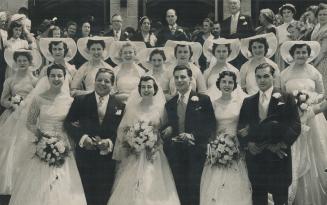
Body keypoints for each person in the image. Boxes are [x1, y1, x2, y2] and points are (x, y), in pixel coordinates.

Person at [8, 64, 87, 205]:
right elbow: (30, 123)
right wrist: (43, 138)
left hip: (63, 144)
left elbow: (74, 124)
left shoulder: (70, 101)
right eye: (53, 75)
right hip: (42, 142)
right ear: (48, 77)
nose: (56, 78)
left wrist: (63, 140)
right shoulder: (38, 99)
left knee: (61, 178)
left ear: (64, 78)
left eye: (59, 76)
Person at [108, 76, 180, 205]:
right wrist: (132, 139)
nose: (146, 90)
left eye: (149, 87)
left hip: (154, 154)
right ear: (139, 89)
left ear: (155, 89)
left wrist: (158, 137)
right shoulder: (132, 108)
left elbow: (167, 127)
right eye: (143, 87)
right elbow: (123, 130)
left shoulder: (161, 109)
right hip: (134, 154)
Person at [237, 62, 301, 205]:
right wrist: (248, 144)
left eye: (266, 76)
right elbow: (240, 128)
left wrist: (282, 144)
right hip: (257, 158)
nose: (262, 80)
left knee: (280, 198)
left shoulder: (286, 98)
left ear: (273, 77)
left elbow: (296, 125)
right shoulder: (248, 101)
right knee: (259, 198)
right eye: (258, 77)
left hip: (279, 157)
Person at [65, 68, 125, 205]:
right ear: (94, 81)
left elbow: (120, 130)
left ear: (112, 84)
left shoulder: (119, 105)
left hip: (107, 159)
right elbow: (68, 123)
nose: (102, 83)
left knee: (103, 194)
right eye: (99, 80)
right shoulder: (81, 100)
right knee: (84, 194)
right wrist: (83, 138)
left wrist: (109, 142)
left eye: (107, 81)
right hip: (85, 156)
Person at [280, 41, 327, 204]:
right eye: (298, 52)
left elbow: (322, 93)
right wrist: (294, 102)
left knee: (316, 150)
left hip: (312, 116)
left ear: (309, 54)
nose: (301, 55)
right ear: (292, 55)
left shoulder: (314, 72)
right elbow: (281, 95)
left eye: (304, 52)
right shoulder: (284, 73)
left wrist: (309, 99)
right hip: (292, 117)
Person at [162, 65, 216, 205]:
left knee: (194, 189)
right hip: (176, 153)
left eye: (183, 77)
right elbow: (169, 125)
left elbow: (210, 125)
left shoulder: (203, 100)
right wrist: (168, 129)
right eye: (176, 77)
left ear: (190, 79)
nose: (179, 80)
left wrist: (192, 136)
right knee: (180, 189)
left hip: (196, 151)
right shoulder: (170, 104)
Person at [200, 71, 252, 205]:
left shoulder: (240, 103)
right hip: (218, 147)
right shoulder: (213, 104)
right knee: (216, 182)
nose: (227, 85)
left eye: (230, 82)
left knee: (235, 183)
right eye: (224, 82)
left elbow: (246, 124)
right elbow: (210, 127)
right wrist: (214, 146)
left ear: (235, 85)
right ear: (219, 84)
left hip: (236, 147)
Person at [311, 3, 327, 99]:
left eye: (325, 14)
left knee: (323, 87)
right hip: (314, 58)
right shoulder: (317, 26)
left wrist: (315, 64)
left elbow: (324, 50)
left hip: (323, 61)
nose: (322, 16)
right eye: (320, 14)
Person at [276, 3, 296, 70]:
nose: (286, 14)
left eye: (288, 12)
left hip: (294, 52)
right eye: (284, 13)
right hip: (281, 54)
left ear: (292, 13)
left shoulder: (298, 25)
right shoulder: (278, 28)